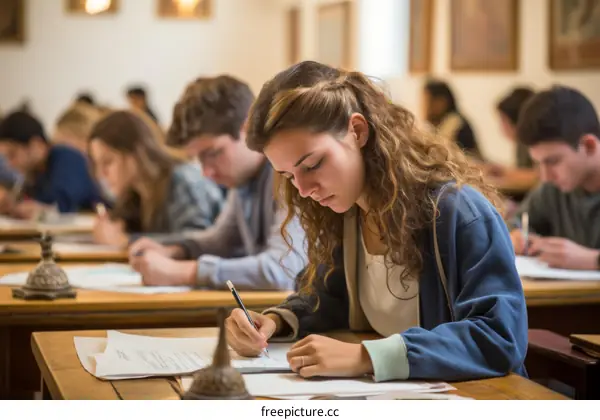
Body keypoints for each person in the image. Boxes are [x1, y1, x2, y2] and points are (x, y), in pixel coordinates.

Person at [225, 61, 527, 382]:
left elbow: (499, 336)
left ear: (357, 131)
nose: (303, 189)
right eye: (288, 175)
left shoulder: (457, 211)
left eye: (312, 164)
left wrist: (366, 356)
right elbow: (331, 296)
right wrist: (276, 322)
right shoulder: (346, 210)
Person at [128, 75, 307, 291]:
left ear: (247, 129)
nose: (206, 172)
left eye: (212, 153)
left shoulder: (291, 176)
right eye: (198, 158)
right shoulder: (243, 177)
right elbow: (221, 240)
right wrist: (175, 250)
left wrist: (184, 272)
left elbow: (281, 271)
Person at [88, 110, 224, 247]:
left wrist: (127, 241)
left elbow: (197, 239)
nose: (100, 174)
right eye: (97, 164)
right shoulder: (136, 194)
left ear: (136, 154)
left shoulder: (182, 180)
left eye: (108, 162)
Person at [510, 85, 600, 271]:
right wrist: (517, 235)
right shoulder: (553, 189)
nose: (545, 176)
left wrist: (593, 260)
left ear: (589, 146)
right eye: (538, 163)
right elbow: (516, 222)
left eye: (553, 161)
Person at [0, 111, 101, 218]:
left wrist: (40, 210)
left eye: (12, 155)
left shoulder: (67, 159)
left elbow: (66, 205)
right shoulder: (34, 173)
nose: (9, 164)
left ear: (37, 146)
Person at [422, 79, 481, 159]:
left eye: (426, 101)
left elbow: (438, 154)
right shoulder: (439, 124)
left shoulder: (454, 122)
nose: (423, 107)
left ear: (441, 102)